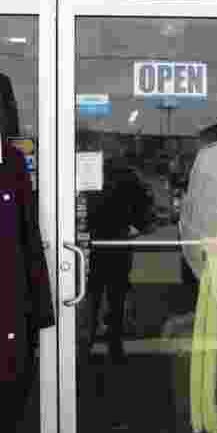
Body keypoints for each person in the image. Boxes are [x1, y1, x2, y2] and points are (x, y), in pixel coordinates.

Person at [81, 155, 154, 363]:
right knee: (116, 297)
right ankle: (115, 346)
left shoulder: (88, 174)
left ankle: (87, 344)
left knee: (92, 295)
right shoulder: (129, 177)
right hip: (118, 244)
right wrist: (137, 227)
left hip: (94, 243)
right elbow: (144, 209)